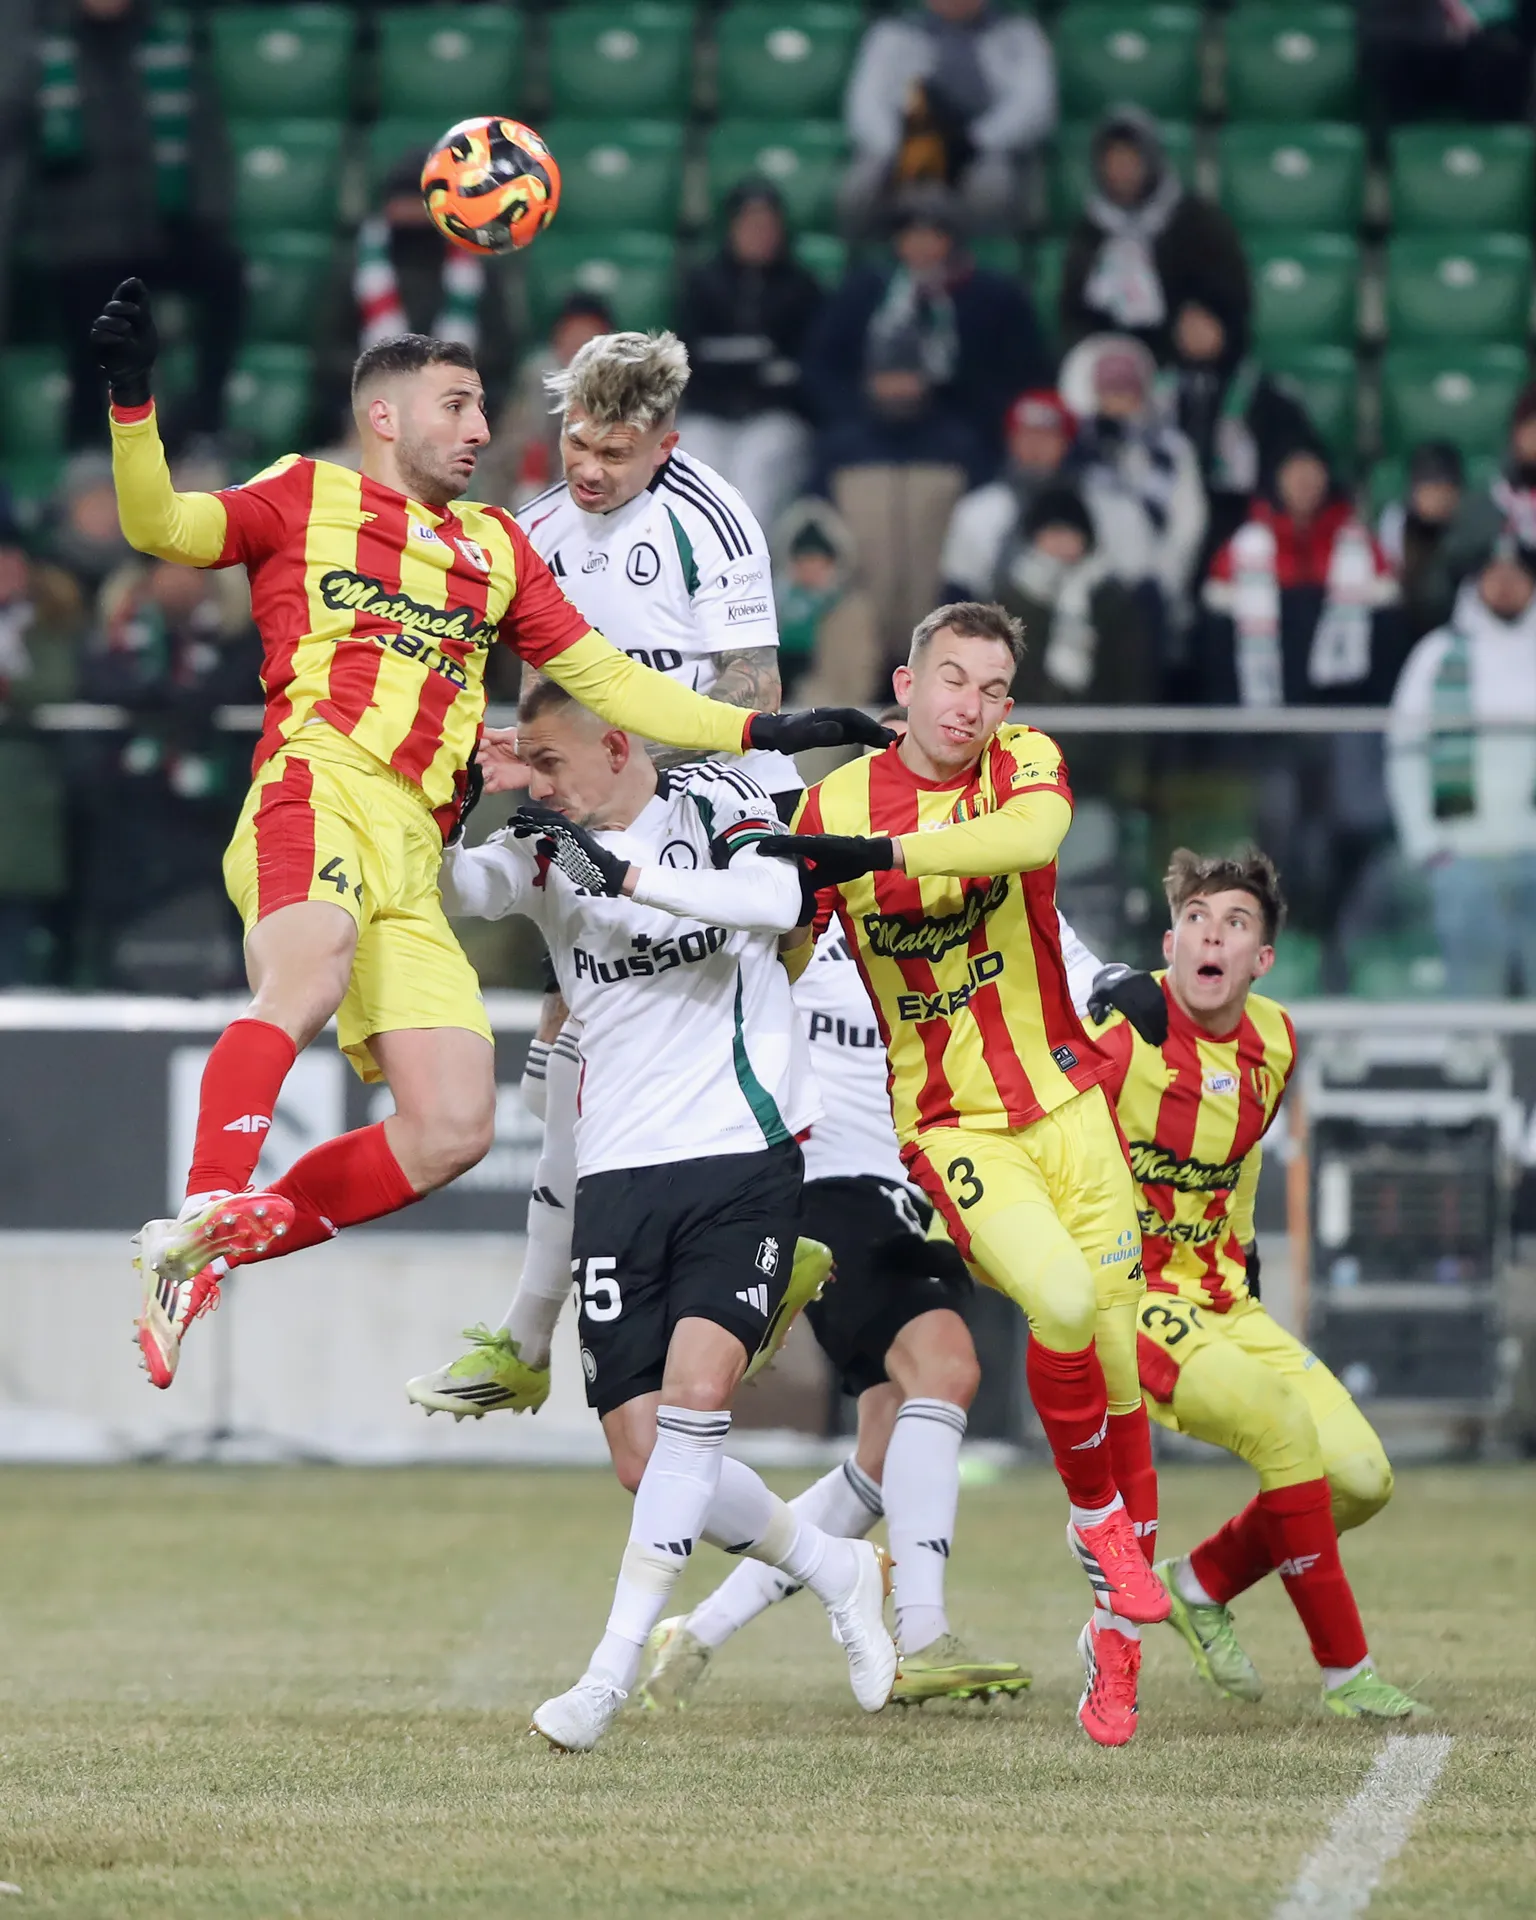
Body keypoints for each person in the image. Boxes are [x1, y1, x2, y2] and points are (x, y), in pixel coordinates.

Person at [90, 277, 887, 1389]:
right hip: (317, 788)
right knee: (307, 975)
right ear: (386, 415)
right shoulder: (301, 494)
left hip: (419, 846)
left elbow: (608, 681)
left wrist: (765, 724)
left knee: (452, 1127)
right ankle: (203, 1208)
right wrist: (134, 406)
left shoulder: (499, 550)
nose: (481, 429)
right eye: (458, 406)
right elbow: (159, 526)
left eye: (478, 409)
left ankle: (213, 1251)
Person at [434, 678, 899, 1751]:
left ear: (615, 743)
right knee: (647, 1462)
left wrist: (629, 872)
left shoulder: (717, 802)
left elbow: (779, 903)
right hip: (619, 1176)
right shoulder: (548, 848)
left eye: (552, 764)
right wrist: (458, 789)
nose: (541, 785)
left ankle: (603, 1677)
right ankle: (835, 1566)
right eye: (531, 767)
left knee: (697, 1402)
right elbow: (456, 887)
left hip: (743, 1155)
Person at [762, 601, 1173, 1747]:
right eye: (953, 680)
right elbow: (776, 947)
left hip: (1068, 1104)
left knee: (1121, 1374)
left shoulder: (1025, 763)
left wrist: (880, 859)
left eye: (994, 689)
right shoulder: (830, 806)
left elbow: (1029, 846)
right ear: (903, 684)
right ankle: (1097, 1525)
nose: (974, 707)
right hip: (953, 1125)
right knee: (1060, 1303)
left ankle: (1115, 1650)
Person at [405, 327, 817, 1419]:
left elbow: (748, 696)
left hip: (710, 810)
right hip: (593, 812)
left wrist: (620, 776)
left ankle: (544, 1329)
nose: (590, 469)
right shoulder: (531, 529)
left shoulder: (713, 517)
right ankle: (533, 1334)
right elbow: (523, 691)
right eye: (577, 443)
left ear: (665, 445)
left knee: (639, 1058)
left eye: (617, 452)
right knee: (561, 1071)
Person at [641, 882, 1169, 1716]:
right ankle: (921, 1636)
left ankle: (699, 1630)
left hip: (946, 1175)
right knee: (948, 1369)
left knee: (886, 1451)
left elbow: (1067, 958)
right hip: (830, 1179)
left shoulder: (982, 866)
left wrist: (1116, 981)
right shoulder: (817, 884)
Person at [1089, 848, 1426, 1721]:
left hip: (1224, 1301)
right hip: (1135, 1305)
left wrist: (1243, 1262)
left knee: (1361, 1478)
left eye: (1235, 924)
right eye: (1198, 920)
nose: (1213, 935)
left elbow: (1238, 1168)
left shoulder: (1274, 1038)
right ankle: (1348, 1675)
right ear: (1170, 942)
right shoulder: (1121, 1033)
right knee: (1284, 1433)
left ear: (1261, 960)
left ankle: (1199, 1587)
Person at [32, 0, 242, 449]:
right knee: (86, 309)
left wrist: (204, 216)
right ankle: (87, 443)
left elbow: (206, 136)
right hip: (82, 237)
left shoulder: (169, 41)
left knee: (227, 275)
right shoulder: (47, 47)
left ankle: (203, 420)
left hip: (163, 228)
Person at [1387, 532, 1536, 998]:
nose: (1507, 585)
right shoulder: (1437, 656)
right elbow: (1405, 753)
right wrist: (1428, 847)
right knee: (1475, 1003)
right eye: (1496, 575)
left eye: (1518, 576)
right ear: (1476, 584)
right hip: (1462, 856)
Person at [804, 188, 1051, 465]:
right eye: (910, 234)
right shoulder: (864, 292)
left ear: (954, 239)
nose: (920, 245)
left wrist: (941, 398)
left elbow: (1026, 376)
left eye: (933, 234)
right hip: (867, 424)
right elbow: (823, 367)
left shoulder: (996, 298)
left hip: (966, 429)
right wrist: (867, 399)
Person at [1200, 437, 1402, 708]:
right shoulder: (1243, 546)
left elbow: (1386, 607)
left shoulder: (1358, 543)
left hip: (1342, 698)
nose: (1305, 481)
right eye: (1295, 472)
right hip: (1269, 695)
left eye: (1313, 471)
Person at [677, 178, 826, 535]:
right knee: (694, 466)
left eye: (768, 225)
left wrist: (763, 372)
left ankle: (748, 582)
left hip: (775, 419)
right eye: (750, 224)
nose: (760, 234)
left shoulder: (802, 289)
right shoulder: (703, 284)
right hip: (710, 415)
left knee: (754, 471)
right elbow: (685, 362)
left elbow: (808, 371)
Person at [840, 0, 1056, 238]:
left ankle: (977, 265)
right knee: (859, 186)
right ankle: (870, 263)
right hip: (905, 143)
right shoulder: (892, 33)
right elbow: (866, 104)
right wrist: (900, 148)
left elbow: (1034, 108)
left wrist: (973, 141)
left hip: (984, 148)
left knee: (992, 186)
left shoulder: (1019, 34)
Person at [1060, 108, 1250, 366]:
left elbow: (1230, 300)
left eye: (1131, 159)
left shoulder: (1196, 222)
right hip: (1110, 371)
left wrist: (1211, 323)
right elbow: (1074, 309)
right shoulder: (1090, 230)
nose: (1121, 171)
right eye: (1113, 160)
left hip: (1181, 363)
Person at [1058, 333, 1207, 651]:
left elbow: (1189, 523)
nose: (1120, 400)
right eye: (1110, 390)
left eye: (1128, 390)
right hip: (1089, 585)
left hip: (1153, 587)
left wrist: (1162, 579)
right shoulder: (1076, 453)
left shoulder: (1174, 451)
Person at [1159, 293, 1318, 563]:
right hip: (1172, 509)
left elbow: (1292, 452)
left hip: (1241, 513)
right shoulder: (1163, 390)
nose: (1192, 334)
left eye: (1203, 324)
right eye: (1185, 326)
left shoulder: (1263, 393)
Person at [476, 292, 615, 511]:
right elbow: (521, 434)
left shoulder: (620, 379)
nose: (578, 342)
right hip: (523, 468)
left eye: (588, 335)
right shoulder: (539, 370)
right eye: (572, 333)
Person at [938, 387, 1080, 602]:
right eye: (1026, 435)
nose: (1035, 446)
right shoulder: (979, 509)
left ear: (1066, 443)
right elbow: (958, 590)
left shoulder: (1092, 506)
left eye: (1047, 436)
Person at [1376, 441, 1468, 646]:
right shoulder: (1396, 523)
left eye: (1447, 489)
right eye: (1430, 488)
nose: (1439, 497)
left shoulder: (1468, 531)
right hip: (1405, 632)